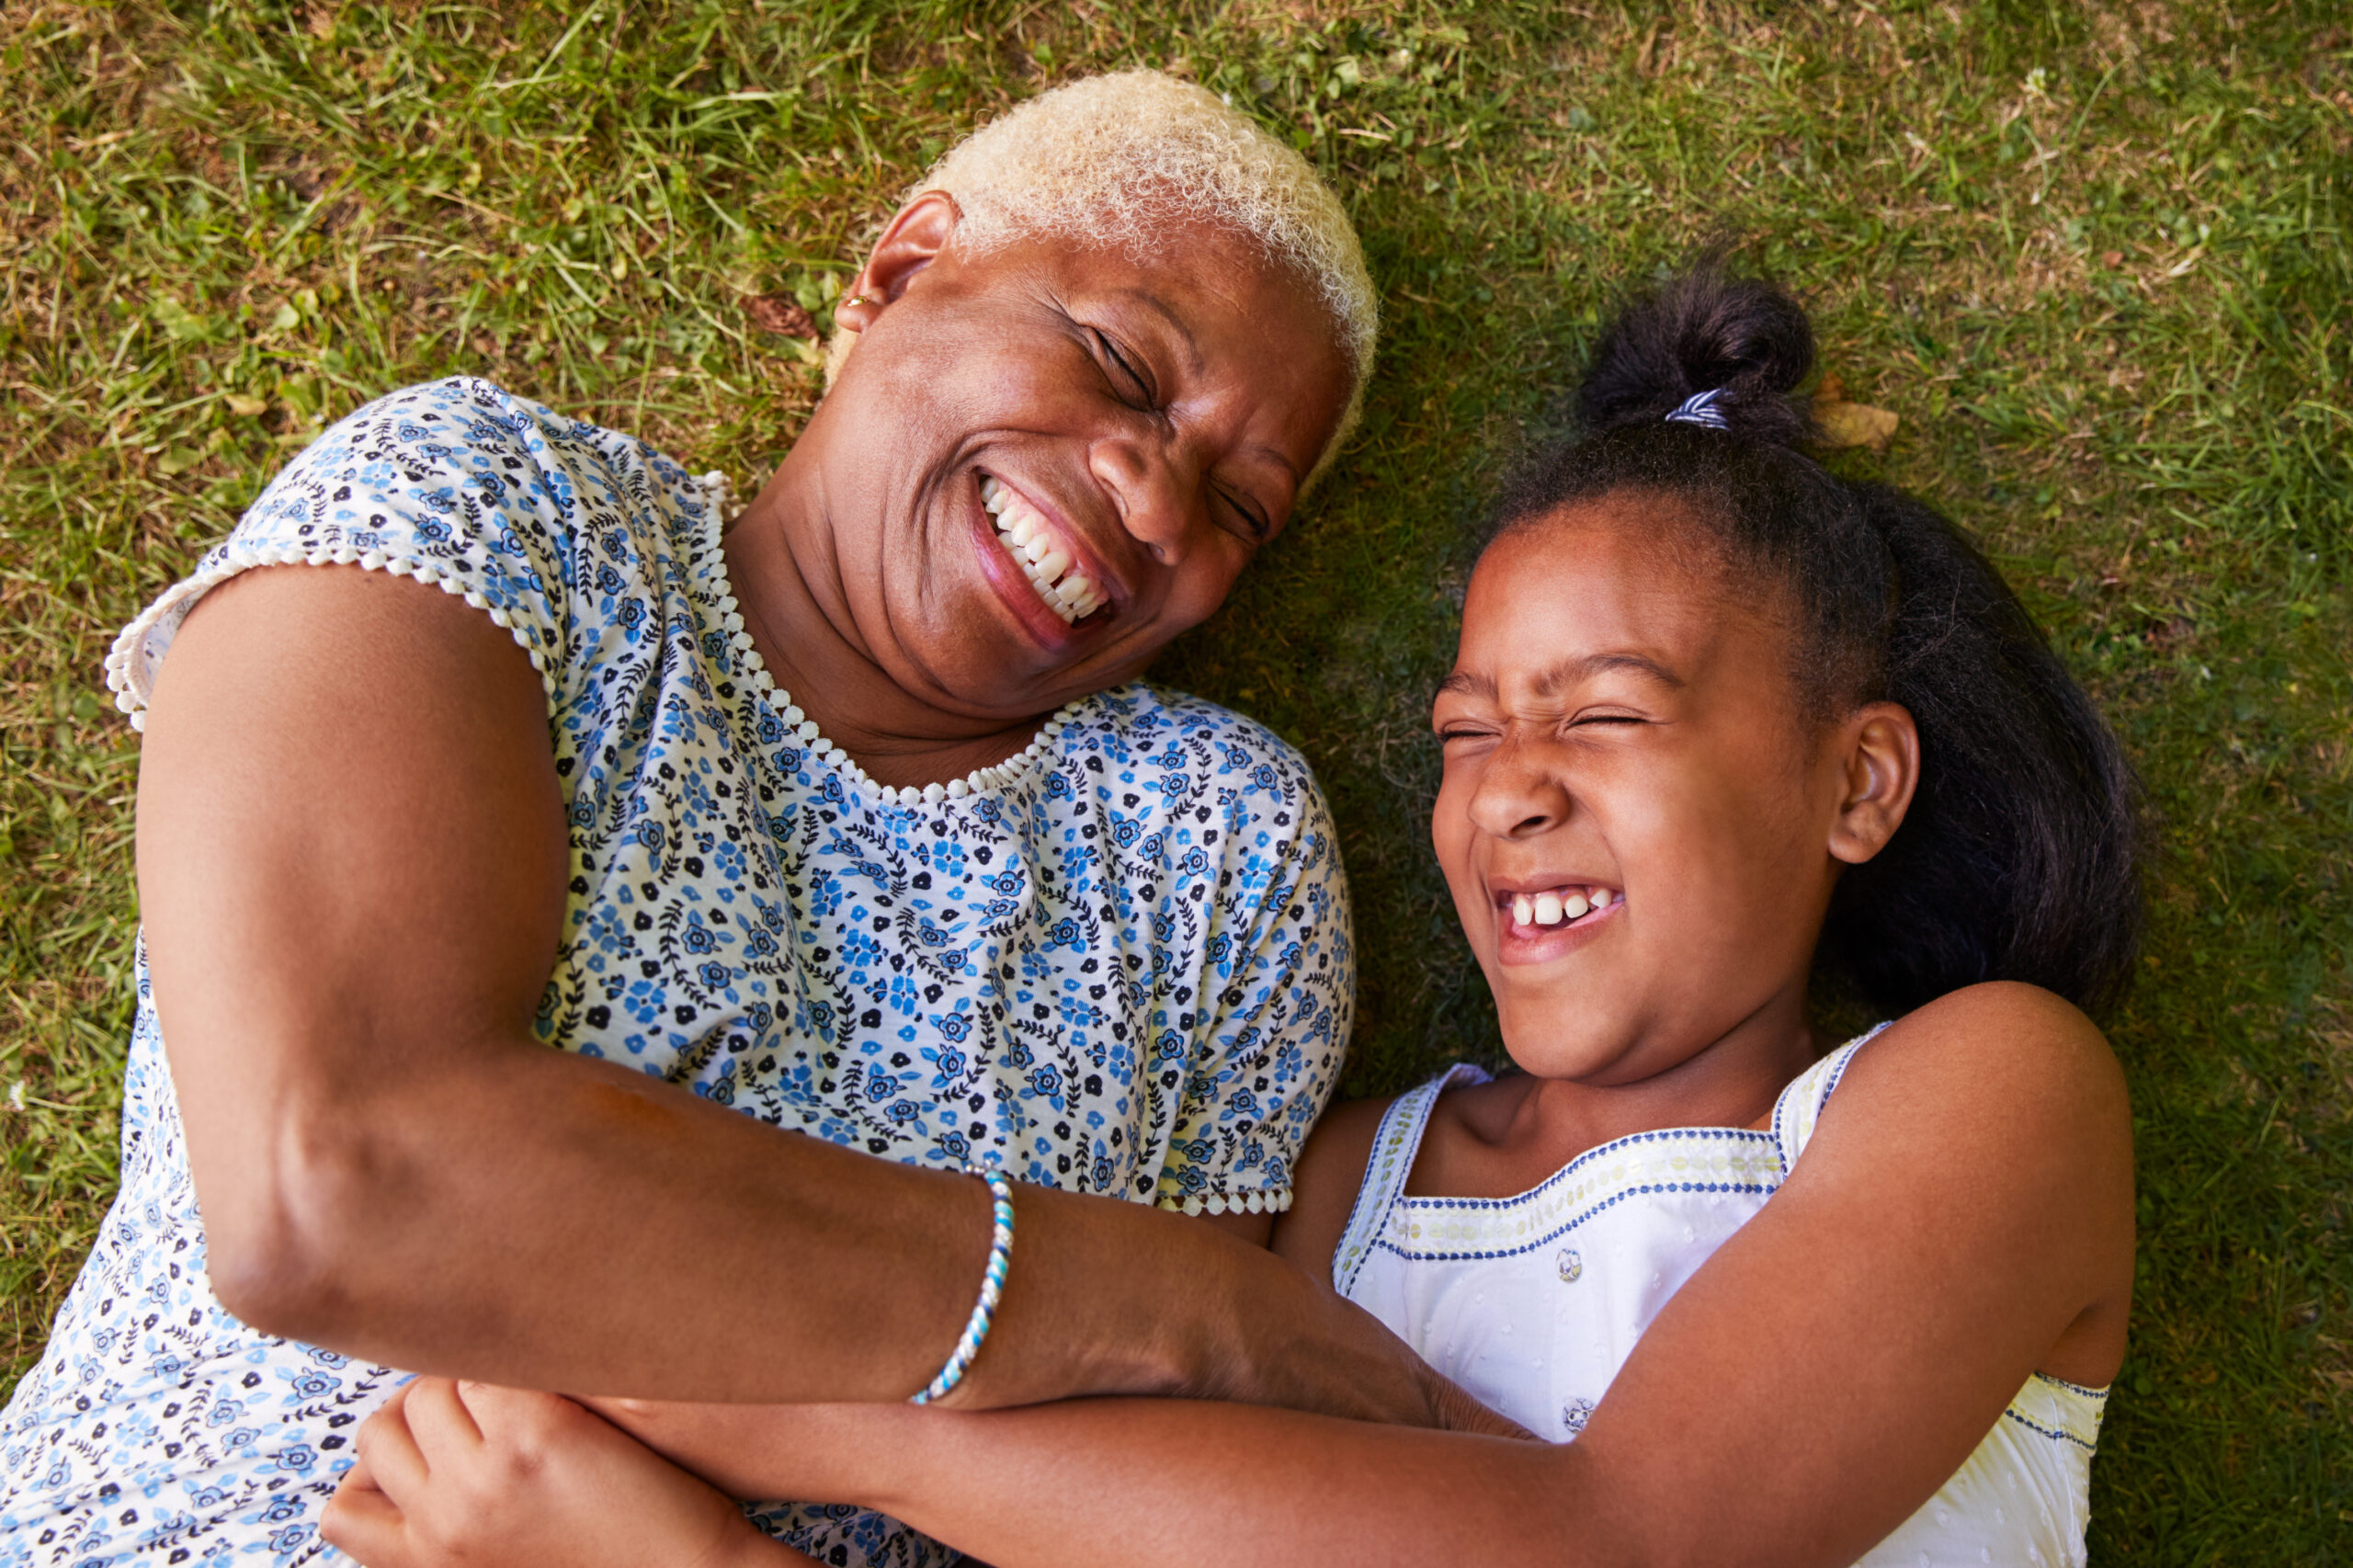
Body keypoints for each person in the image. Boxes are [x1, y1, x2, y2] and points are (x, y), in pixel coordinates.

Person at [322, 261, 2143, 1568]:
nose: (1504, 788)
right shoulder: (1340, 1194)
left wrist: (774, 1424)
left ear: (1854, 784)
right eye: (1460, 732)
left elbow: (1627, 1535)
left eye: (1600, 712)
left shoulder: (1983, 1095)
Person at [0, 72, 1513, 1568]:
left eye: (1241, 507)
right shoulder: (494, 514)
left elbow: (1146, 1514)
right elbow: (341, 1175)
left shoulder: (1220, 855)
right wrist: (1172, 1307)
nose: (1159, 501)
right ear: (902, 270)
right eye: (1123, 368)